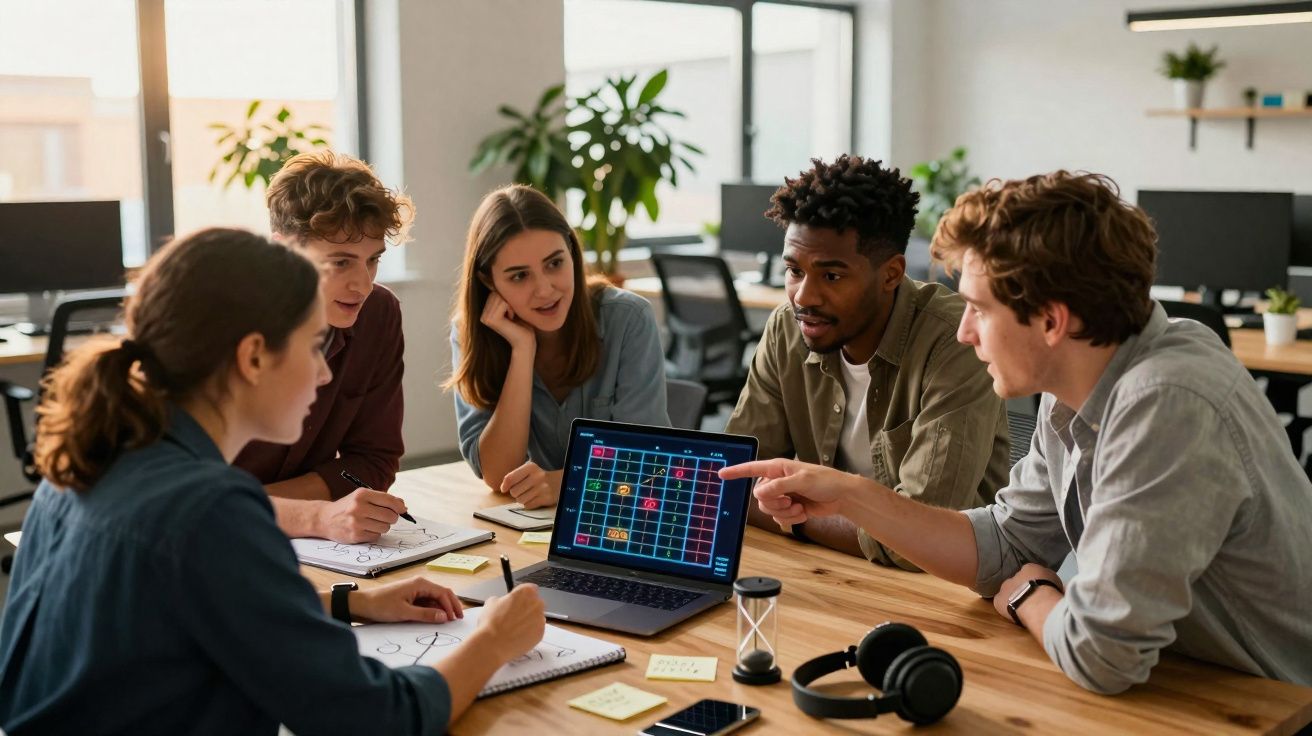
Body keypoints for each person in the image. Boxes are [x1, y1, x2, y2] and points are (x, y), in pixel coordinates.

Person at [721, 171, 1312, 693]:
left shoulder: (1165, 402)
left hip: (1273, 701)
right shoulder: (1073, 388)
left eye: (979, 309)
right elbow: (1008, 545)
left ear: (1051, 320)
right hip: (1180, 680)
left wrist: (1031, 596)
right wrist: (849, 495)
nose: (964, 332)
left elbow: (1101, 654)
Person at [0, 228, 546, 734]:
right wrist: (493, 639)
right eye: (313, 345)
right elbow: (379, 719)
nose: (325, 372)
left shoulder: (90, 460)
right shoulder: (212, 509)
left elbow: (200, 608)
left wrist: (353, 603)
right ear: (254, 357)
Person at [725, 155, 1008, 568]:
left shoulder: (954, 341)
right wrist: (812, 519)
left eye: (831, 276)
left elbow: (925, 535)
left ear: (891, 274)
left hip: (946, 585)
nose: (803, 296)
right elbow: (736, 480)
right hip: (828, 568)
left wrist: (796, 519)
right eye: (794, 271)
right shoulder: (787, 327)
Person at [448, 185, 669, 509]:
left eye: (554, 264)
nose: (544, 290)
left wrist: (565, 483)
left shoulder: (627, 319)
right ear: (488, 281)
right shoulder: (472, 332)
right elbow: (499, 475)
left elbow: (646, 462)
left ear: (571, 251)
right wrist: (522, 351)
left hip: (622, 513)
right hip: (533, 523)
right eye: (519, 276)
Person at [235, 151, 414, 544]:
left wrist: (246, 507)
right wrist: (310, 515)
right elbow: (179, 502)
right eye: (341, 263)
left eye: (373, 260)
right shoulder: (227, 325)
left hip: (297, 544)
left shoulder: (378, 313)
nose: (363, 285)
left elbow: (374, 461)